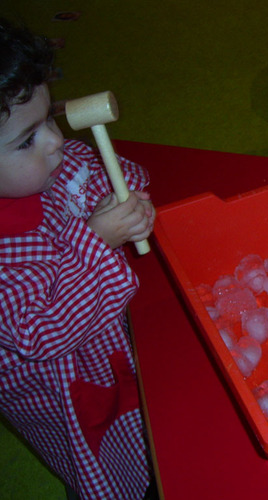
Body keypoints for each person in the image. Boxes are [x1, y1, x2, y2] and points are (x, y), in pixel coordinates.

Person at [0, 18, 157, 499]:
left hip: (102, 339)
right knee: (100, 454)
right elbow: (39, 327)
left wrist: (127, 199)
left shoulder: (47, 165)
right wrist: (98, 239)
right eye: (27, 139)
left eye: (50, 118)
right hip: (57, 379)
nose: (54, 141)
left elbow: (95, 172)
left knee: (143, 419)